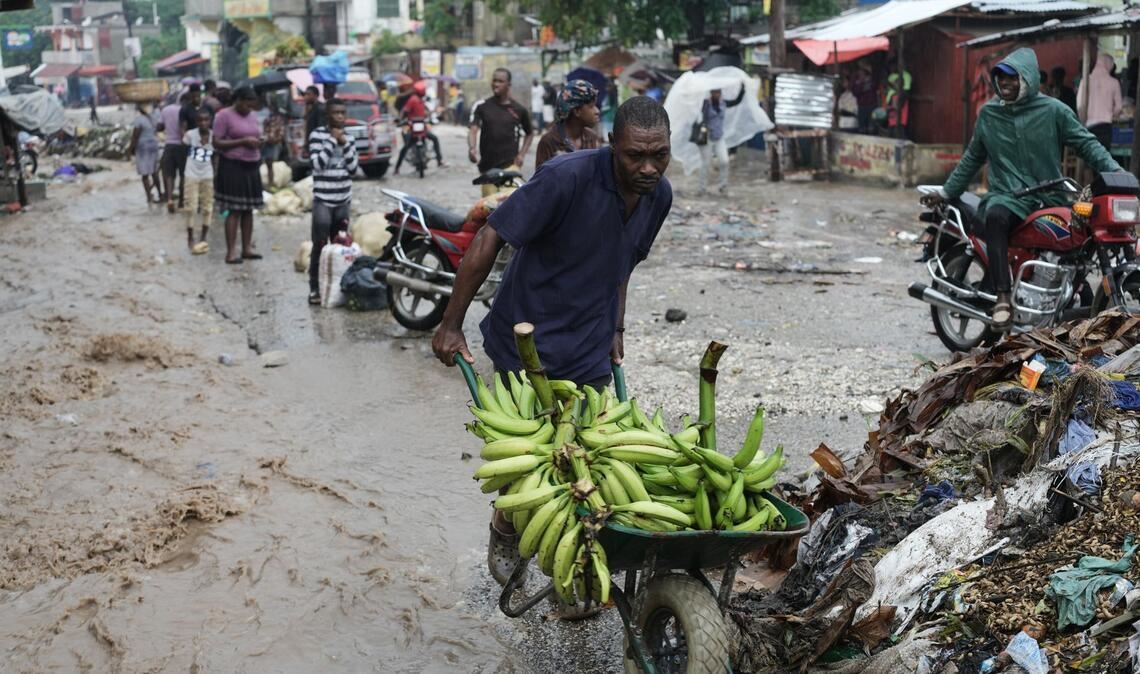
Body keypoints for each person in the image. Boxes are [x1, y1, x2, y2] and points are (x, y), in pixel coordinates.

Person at [431, 96, 673, 595]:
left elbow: (622, 263)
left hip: (589, 344)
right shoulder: (566, 177)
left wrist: (617, 328)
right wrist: (451, 323)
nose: (647, 168)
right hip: (528, 342)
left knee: (592, 458)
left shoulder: (659, 196)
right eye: (634, 156)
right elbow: (489, 239)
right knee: (531, 459)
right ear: (612, 146)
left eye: (659, 155)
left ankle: (577, 563)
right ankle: (506, 524)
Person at [937, 48, 1122, 330]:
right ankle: (1002, 297)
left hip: (1049, 195)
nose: (1005, 84)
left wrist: (1117, 175)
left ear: (1029, 79)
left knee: (1078, 238)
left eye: (1013, 78)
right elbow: (972, 158)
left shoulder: (1054, 110)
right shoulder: (989, 115)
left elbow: (1087, 144)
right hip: (1007, 196)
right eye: (1000, 78)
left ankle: (1067, 295)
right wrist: (947, 192)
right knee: (996, 217)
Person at [307, 99, 359, 305]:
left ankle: (336, 288)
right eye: (336, 113)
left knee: (340, 245)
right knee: (319, 245)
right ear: (328, 116)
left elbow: (354, 169)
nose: (340, 116)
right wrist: (331, 141)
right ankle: (314, 288)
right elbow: (317, 165)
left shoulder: (350, 138)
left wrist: (344, 144)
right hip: (323, 200)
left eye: (342, 112)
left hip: (343, 199)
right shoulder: (317, 136)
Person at [212, 86, 265, 265]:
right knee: (234, 209)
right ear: (239, 100)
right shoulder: (223, 116)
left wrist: (260, 142)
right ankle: (231, 252)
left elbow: (256, 134)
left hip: (251, 165)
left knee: (248, 210)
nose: (249, 108)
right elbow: (216, 142)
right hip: (232, 166)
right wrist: (242, 141)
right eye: (247, 104)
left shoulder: (253, 116)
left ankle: (247, 248)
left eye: (252, 105)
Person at [468, 68, 534, 196]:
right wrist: (472, 148)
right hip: (488, 169)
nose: (496, 84)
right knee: (490, 209)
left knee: (510, 203)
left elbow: (529, 133)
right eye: (494, 80)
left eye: (500, 81)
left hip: (510, 167)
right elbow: (473, 129)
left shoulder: (519, 110)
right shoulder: (483, 107)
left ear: (508, 84)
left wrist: (521, 154)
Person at [534, 79, 600, 171]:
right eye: (591, 106)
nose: (597, 111)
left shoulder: (591, 138)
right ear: (577, 111)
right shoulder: (549, 141)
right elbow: (541, 181)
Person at [698, 85, 745, 196]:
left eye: (718, 92)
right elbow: (699, 113)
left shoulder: (723, 103)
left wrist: (742, 89)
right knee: (705, 163)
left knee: (724, 161)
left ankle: (723, 186)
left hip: (719, 137)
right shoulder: (706, 104)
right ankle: (702, 188)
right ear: (711, 93)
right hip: (707, 137)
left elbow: (736, 101)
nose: (717, 95)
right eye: (715, 92)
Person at [183, 108, 216, 253]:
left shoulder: (214, 136)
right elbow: (184, 148)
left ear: (210, 121)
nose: (203, 123)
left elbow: (216, 156)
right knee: (190, 206)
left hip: (207, 174)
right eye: (200, 120)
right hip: (191, 174)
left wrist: (216, 173)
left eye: (206, 120)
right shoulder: (190, 135)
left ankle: (204, 237)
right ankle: (190, 237)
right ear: (196, 122)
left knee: (207, 207)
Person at [393, 80, 445, 174]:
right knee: (406, 147)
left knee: (434, 138)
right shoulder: (413, 100)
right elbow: (405, 111)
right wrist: (400, 120)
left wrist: (433, 116)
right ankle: (397, 167)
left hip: (422, 127)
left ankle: (439, 160)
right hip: (412, 127)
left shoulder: (421, 100)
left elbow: (426, 113)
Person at [1078, 53, 1123, 151]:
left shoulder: (1085, 80)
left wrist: (1083, 121)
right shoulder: (1114, 82)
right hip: (1105, 126)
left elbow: (1080, 105)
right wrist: (1111, 114)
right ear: (1109, 65)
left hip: (1089, 126)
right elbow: (1119, 107)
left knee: (1090, 159)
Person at [126, 103, 163, 205]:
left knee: (145, 174)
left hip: (143, 149)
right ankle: (160, 193)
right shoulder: (154, 117)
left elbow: (135, 137)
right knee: (154, 172)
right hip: (153, 146)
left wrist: (130, 150)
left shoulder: (139, 120)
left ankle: (149, 196)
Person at [159, 92, 190, 213]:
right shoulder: (185, 110)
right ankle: (182, 201)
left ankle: (170, 199)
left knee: (169, 175)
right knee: (183, 174)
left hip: (169, 145)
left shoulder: (165, 110)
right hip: (182, 146)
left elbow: (159, 127)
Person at [259, 94, 286, 188]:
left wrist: (276, 140)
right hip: (263, 141)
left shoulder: (278, 116)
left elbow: (281, 131)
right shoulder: (264, 114)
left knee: (270, 164)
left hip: (272, 142)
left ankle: (270, 184)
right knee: (260, 163)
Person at [851, 64, 878, 133]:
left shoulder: (872, 81)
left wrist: (863, 84)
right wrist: (861, 84)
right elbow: (855, 92)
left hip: (872, 106)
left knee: (871, 127)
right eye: (859, 74)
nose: (860, 76)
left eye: (862, 74)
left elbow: (873, 87)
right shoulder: (857, 83)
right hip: (862, 106)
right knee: (861, 127)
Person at [303, 86, 325, 151]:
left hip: (317, 144)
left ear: (316, 95)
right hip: (310, 143)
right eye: (305, 94)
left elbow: (320, 128)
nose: (306, 97)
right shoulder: (310, 109)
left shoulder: (320, 109)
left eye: (308, 94)